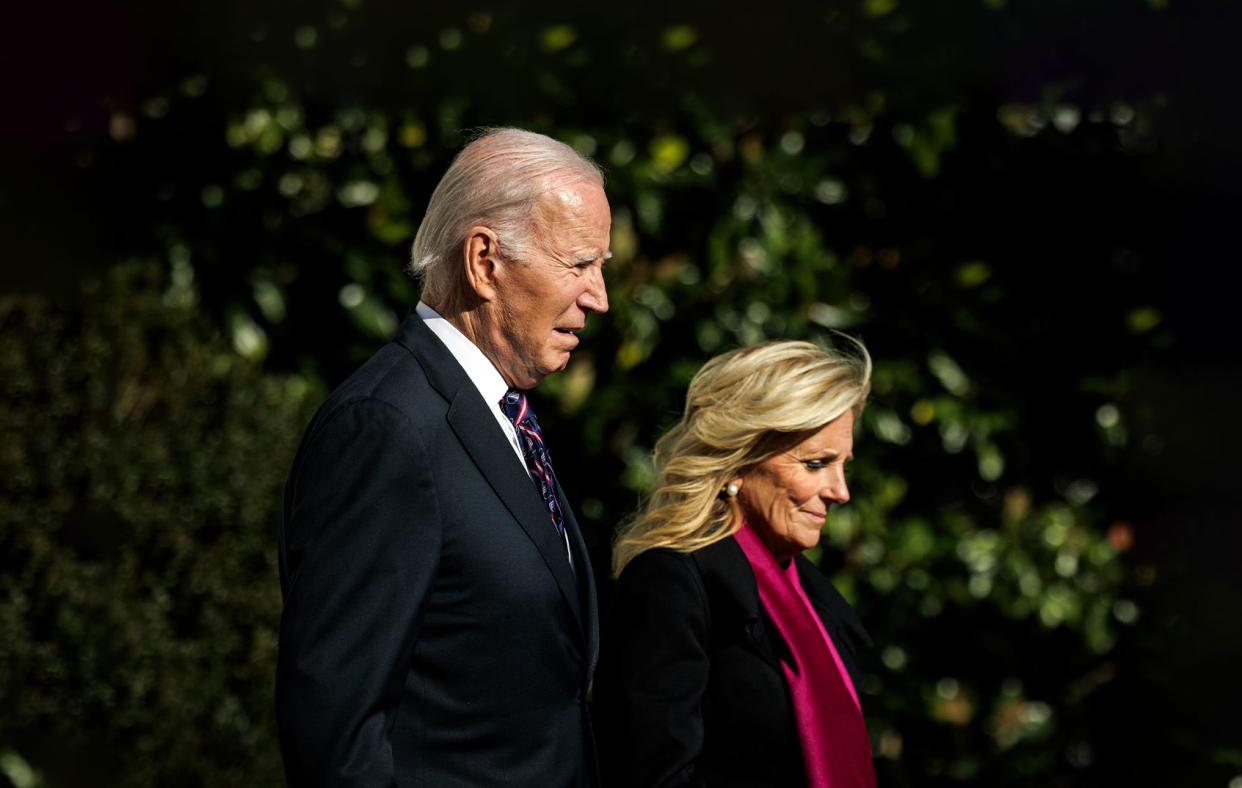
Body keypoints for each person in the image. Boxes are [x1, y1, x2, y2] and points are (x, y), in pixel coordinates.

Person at [276, 128, 611, 786]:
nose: (599, 296)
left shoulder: (505, 416)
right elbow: (333, 728)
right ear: (484, 262)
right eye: (578, 264)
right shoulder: (385, 426)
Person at [594, 340, 879, 788]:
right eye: (816, 464)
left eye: (842, 465)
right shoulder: (671, 583)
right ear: (737, 460)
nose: (840, 491)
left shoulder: (811, 595)